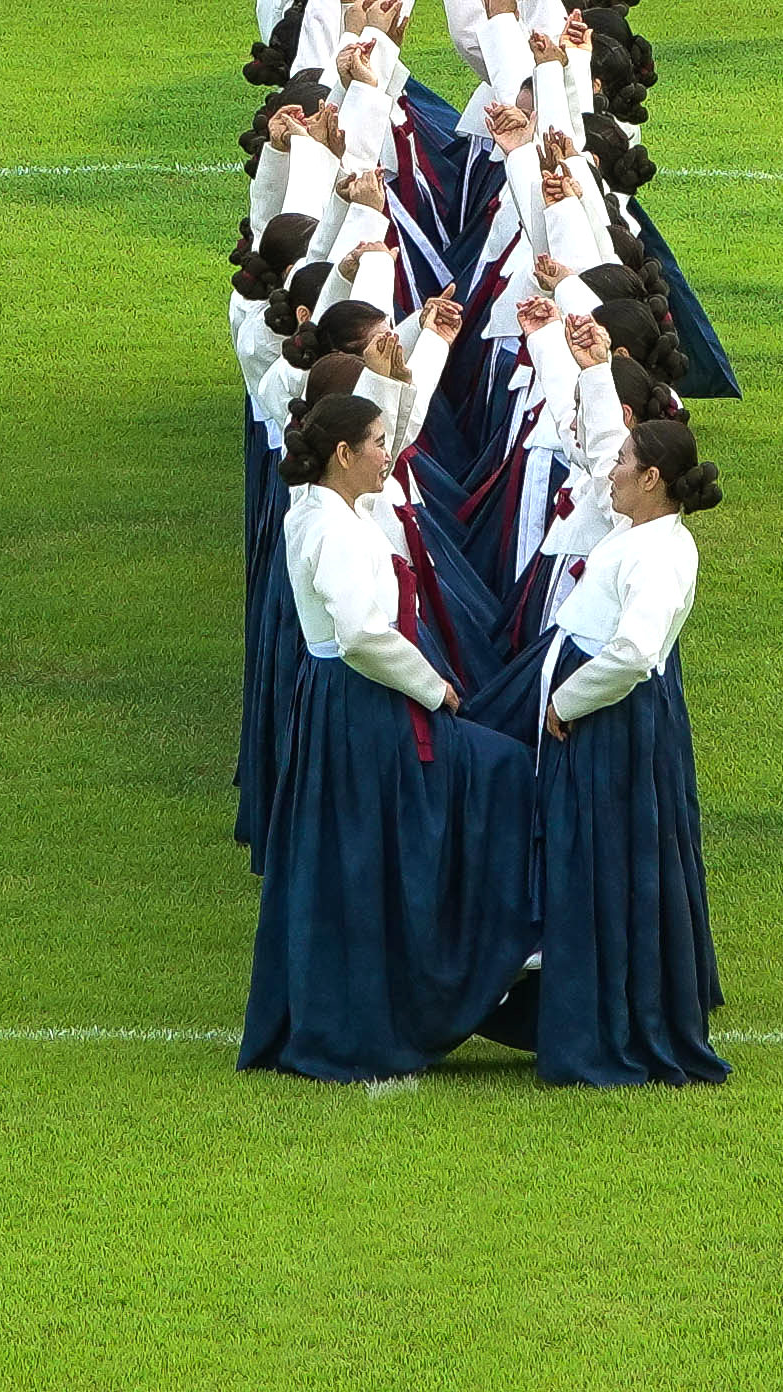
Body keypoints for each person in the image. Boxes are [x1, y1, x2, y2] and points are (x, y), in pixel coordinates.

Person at [242, 392, 540, 1080]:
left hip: (342, 705)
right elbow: (361, 636)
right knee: (496, 773)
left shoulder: (327, 508)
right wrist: (434, 687)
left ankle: (482, 951)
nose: (389, 452)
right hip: (367, 704)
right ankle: (493, 947)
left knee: (362, 848)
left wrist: (399, 375)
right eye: (376, 443)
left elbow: (386, 439)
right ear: (343, 455)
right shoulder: (334, 529)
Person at [530, 418, 726, 1088]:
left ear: (652, 479)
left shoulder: (660, 555)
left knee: (606, 863)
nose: (610, 469)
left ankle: (609, 1021)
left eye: (623, 461)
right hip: (603, 716)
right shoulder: (634, 532)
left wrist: (567, 702)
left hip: (611, 726)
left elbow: (637, 653)